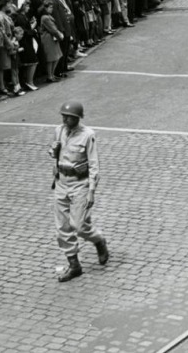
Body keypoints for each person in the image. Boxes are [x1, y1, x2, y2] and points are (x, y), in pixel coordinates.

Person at [48, 101, 108, 282]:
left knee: (79, 226)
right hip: (61, 183)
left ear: (78, 118)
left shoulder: (88, 135)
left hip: (79, 184)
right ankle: (74, 265)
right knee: (62, 227)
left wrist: (91, 191)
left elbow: (94, 164)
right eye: (63, 116)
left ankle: (99, 240)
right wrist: (53, 153)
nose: (65, 120)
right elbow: (55, 152)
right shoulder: (59, 130)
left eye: (69, 117)